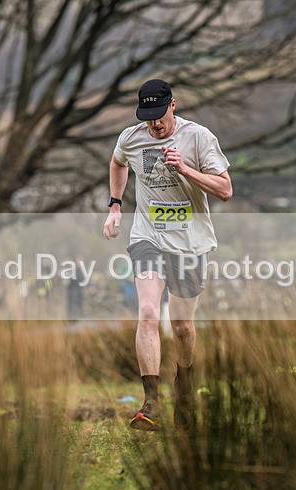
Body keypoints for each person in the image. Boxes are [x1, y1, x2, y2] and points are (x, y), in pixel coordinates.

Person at [103, 79, 232, 431]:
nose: (155, 125)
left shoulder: (198, 137)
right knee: (147, 312)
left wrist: (186, 170)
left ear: (173, 105)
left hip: (191, 243)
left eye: (159, 116)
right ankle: (151, 403)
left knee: (183, 327)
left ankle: (185, 388)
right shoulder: (131, 138)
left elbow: (225, 189)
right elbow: (118, 163)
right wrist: (115, 205)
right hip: (148, 238)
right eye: (148, 118)